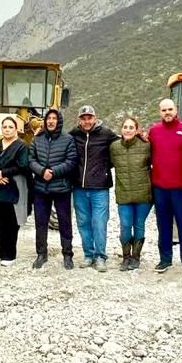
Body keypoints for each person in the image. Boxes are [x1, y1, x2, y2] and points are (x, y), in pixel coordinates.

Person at [148, 98, 182, 278]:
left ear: (176, 110)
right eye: (163, 110)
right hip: (160, 188)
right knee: (163, 225)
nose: (167, 113)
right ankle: (165, 259)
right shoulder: (153, 131)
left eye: (170, 109)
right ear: (159, 112)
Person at [69, 105, 119, 271]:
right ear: (79, 120)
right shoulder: (73, 135)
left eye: (89, 117)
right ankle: (88, 254)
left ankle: (100, 256)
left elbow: (123, 144)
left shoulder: (106, 134)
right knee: (83, 222)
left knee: (99, 222)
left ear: (95, 118)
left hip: (100, 188)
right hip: (79, 187)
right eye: (83, 118)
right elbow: (60, 143)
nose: (86, 121)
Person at [29, 108, 77, 269]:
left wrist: (54, 172)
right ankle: (41, 254)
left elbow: (71, 161)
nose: (50, 121)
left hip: (61, 188)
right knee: (40, 223)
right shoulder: (38, 139)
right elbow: (31, 159)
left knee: (64, 222)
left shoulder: (68, 139)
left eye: (54, 118)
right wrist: (42, 171)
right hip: (41, 188)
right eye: (48, 118)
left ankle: (68, 255)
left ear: (59, 121)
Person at [110, 115, 152, 272]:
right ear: (121, 129)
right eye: (125, 127)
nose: (128, 130)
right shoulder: (114, 147)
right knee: (125, 226)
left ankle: (136, 258)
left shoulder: (146, 146)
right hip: (124, 194)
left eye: (131, 127)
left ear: (137, 130)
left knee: (139, 225)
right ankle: (126, 257)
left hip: (143, 195)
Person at [0, 116, 30, 266]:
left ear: (15, 129)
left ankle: (10, 255)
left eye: (10, 127)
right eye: (4, 127)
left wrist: (3, 173)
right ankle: (1, 253)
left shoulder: (21, 146)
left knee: (11, 223)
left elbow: (23, 165)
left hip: (13, 188)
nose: (7, 129)